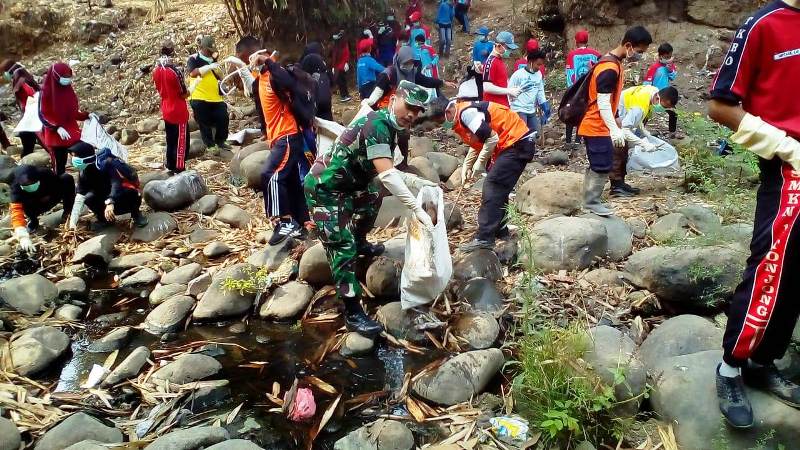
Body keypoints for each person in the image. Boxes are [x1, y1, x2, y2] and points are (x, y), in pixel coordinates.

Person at [707, 0, 800, 430]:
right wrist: (787, 147)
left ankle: (764, 361)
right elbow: (721, 105)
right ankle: (730, 368)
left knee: (797, 274)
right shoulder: (765, 24)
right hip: (790, 166)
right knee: (771, 267)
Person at [305, 80, 437, 337]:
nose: (412, 114)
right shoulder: (377, 124)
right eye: (408, 106)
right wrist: (415, 208)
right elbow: (388, 176)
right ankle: (353, 311)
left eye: (418, 110)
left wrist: (420, 182)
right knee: (342, 248)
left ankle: (360, 240)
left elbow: (388, 170)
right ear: (393, 100)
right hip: (326, 189)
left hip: (351, 185)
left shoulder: (391, 127)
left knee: (373, 194)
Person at [435, 96, 535, 253]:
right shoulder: (463, 114)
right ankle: (500, 230)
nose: (442, 125)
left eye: (440, 121)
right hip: (512, 143)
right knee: (500, 189)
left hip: (516, 142)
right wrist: (467, 166)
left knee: (492, 185)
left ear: (448, 111)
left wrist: (479, 163)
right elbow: (479, 141)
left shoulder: (466, 114)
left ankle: (485, 237)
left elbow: (491, 137)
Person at [577, 26, 652, 216]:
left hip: (601, 122)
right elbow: (602, 102)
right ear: (629, 45)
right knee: (601, 164)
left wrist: (616, 118)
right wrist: (614, 129)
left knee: (600, 161)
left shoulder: (613, 62)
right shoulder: (609, 68)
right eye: (640, 51)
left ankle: (589, 199)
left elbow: (609, 101)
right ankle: (591, 202)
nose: (640, 56)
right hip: (595, 124)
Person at [362, 46, 451, 168]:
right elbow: (379, 90)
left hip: (406, 110)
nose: (408, 65)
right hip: (387, 108)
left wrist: (442, 82)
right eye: (406, 63)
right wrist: (370, 101)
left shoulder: (412, 73)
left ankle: (403, 163)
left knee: (403, 135)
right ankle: (383, 164)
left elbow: (426, 81)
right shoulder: (389, 73)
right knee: (386, 135)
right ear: (399, 61)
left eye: (411, 63)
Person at [254, 55, 311, 245]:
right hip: (278, 137)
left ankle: (284, 221)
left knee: (271, 175)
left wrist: (268, 61)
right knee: (292, 180)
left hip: (288, 135)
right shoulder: (259, 79)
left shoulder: (276, 74)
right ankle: (303, 222)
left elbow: (289, 82)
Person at [611, 85, 679, 196]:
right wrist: (644, 144)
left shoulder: (653, 91)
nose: (664, 109)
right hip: (615, 118)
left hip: (620, 114)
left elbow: (639, 120)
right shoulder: (640, 108)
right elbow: (625, 129)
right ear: (661, 99)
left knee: (623, 150)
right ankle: (616, 187)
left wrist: (645, 133)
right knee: (619, 149)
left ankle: (620, 183)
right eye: (665, 106)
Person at [68, 145, 147, 230]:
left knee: (132, 193)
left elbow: (116, 183)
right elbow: (80, 197)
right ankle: (104, 220)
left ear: (85, 157)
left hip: (120, 195)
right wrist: (73, 223)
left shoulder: (106, 164)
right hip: (104, 198)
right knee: (88, 198)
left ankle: (136, 214)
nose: (73, 159)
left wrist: (110, 202)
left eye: (75, 156)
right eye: (72, 156)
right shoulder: (83, 172)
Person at [10, 165, 75, 254]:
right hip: (35, 206)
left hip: (52, 197)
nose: (29, 185)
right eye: (25, 185)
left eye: (31, 182)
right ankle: (33, 221)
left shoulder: (46, 173)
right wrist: (22, 236)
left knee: (66, 178)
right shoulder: (16, 189)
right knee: (22, 204)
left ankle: (68, 211)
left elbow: (58, 183)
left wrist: (50, 195)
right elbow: (16, 212)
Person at [39, 62, 89, 175]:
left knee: (84, 156)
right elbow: (43, 115)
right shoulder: (46, 93)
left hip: (71, 131)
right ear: (56, 76)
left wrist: (86, 116)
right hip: (56, 135)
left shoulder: (68, 90)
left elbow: (73, 112)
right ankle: (59, 186)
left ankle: (84, 182)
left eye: (68, 77)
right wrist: (57, 128)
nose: (67, 80)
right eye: (64, 77)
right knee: (59, 164)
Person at [187, 36, 230, 155]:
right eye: (208, 49)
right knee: (204, 122)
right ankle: (210, 145)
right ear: (202, 48)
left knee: (223, 118)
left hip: (215, 97)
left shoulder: (214, 59)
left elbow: (220, 77)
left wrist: (220, 75)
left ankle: (221, 141)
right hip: (199, 96)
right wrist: (209, 67)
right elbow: (193, 73)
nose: (211, 51)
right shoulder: (193, 58)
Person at [153, 40, 190, 174]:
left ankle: (170, 164)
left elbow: (159, 89)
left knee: (170, 138)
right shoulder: (175, 71)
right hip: (178, 110)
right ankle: (179, 167)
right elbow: (183, 93)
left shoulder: (156, 70)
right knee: (181, 140)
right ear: (172, 52)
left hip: (166, 108)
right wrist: (190, 91)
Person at [565, 29, 602, 146]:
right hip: (590, 90)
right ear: (587, 41)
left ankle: (567, 141)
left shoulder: (571, 55)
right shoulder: (595, 54)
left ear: (576, 42)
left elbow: (569, 74)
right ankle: (577, 141)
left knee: (571, 113)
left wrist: (570, 91)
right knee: (583, 114)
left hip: (575, 90)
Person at [1, 60, 41, 157]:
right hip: (30, 110)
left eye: (3, 73)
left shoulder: (22, 81)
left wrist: (29, 112)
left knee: (26, 133)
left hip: (33, 111)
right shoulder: (20, 78)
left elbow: (33, 96)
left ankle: (28, 155)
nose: (3, 75)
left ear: (10, 71)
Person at [643, 43, 680, 138]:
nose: (668, 59)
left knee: (673, 112)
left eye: (670, 56)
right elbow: (647, 82)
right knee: (647, 112)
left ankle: (672, 132)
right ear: (660, 56)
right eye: (666, 57)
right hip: (655, 94)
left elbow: (673, 77)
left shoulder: (670, 66)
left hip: (666, 94)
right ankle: (641, 130)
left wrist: (670, 70)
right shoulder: (654, 67)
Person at [509, 50, 549, 136]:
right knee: (523, 136)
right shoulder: (518, 75)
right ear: (530, 62)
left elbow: (540, 92)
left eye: (541, 64)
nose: (539, 67)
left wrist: (545, 107)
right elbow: (509, 92)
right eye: (538, 64)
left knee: (535, 135)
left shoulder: (538, 75)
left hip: (531, 110)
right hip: (519, 109)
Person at [482, 31, 521, 108]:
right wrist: (509, 91)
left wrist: (511, 89)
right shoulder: (490, 62)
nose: (509, 51)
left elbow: (500, 81)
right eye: (508, 48)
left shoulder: (499, 60)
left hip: (502, 105)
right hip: (493, 107)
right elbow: (487, 87)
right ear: (499, 45)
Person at [300, 42, 334, 121]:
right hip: (322, 103)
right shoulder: (320, 63)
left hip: (315, 105)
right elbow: (331, 80)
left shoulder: (303, 64)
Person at [330, 31, 352, 102]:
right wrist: (333, 66)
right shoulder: (338, 45)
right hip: (339, 67)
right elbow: (334, 57)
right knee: (341, 81)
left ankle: (344, 95)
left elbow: (346, 54)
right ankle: (344, 95)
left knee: (342, 81)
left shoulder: (343, 44)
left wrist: (346, 62)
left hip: (341, 66)